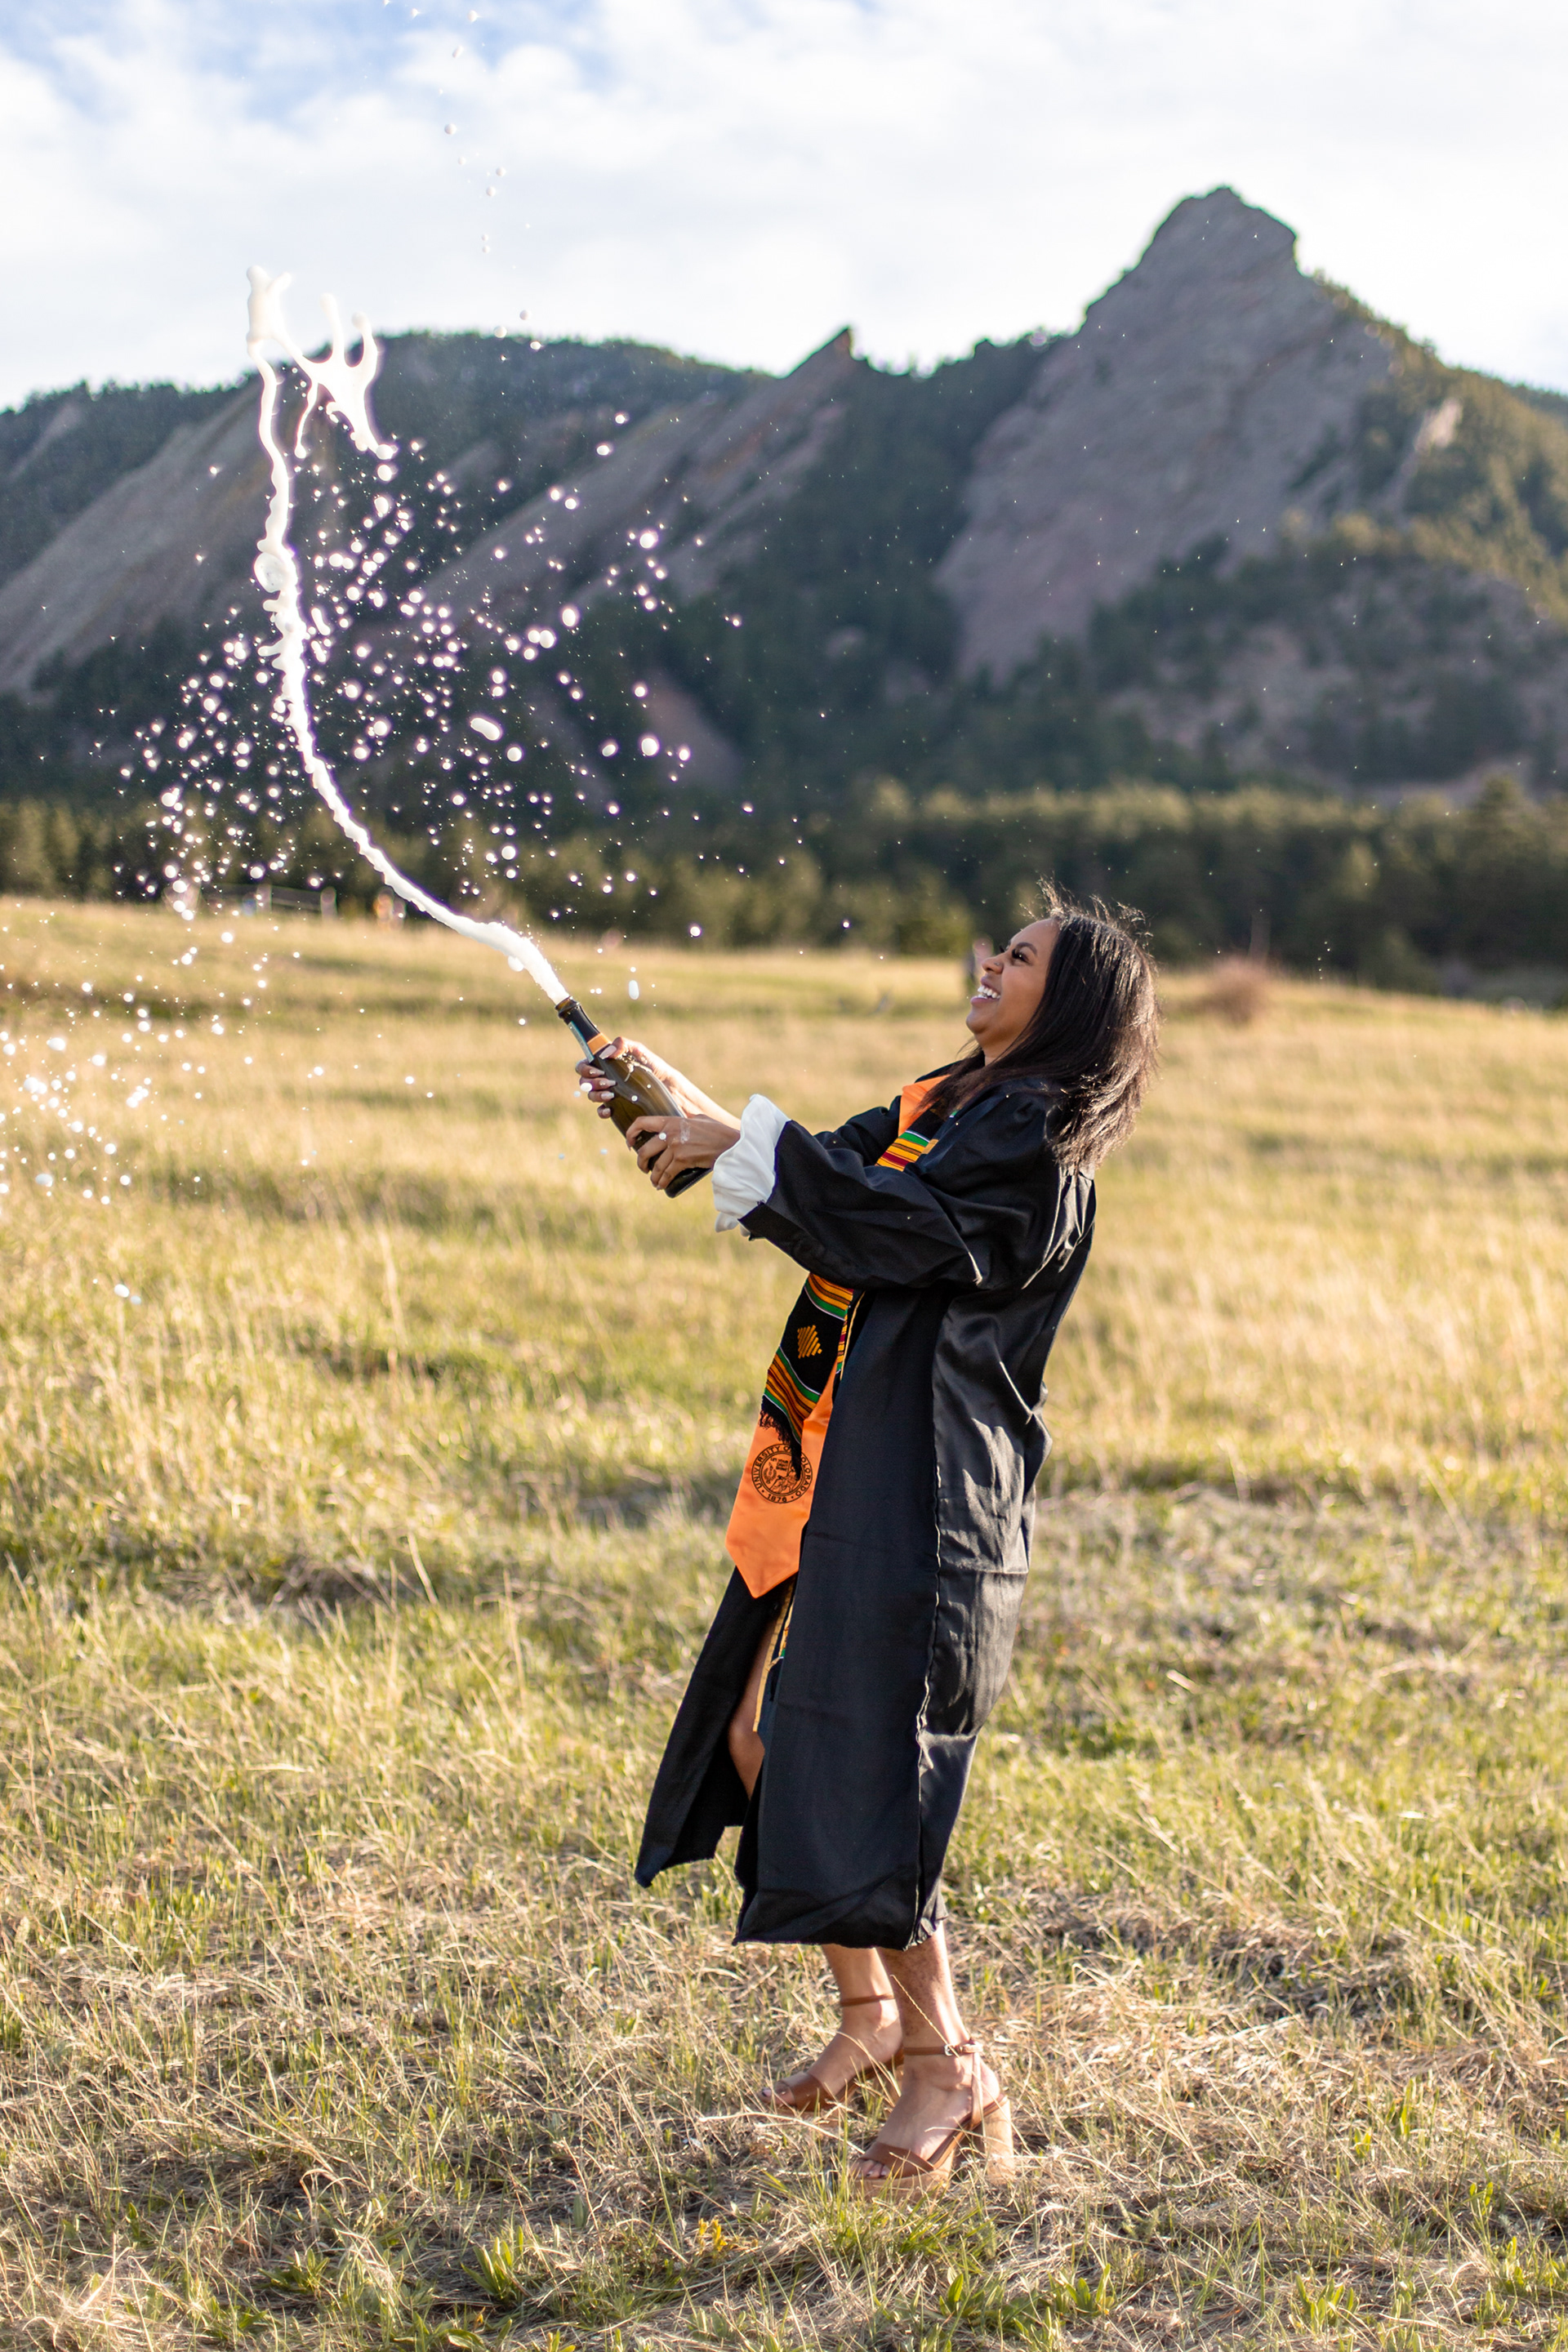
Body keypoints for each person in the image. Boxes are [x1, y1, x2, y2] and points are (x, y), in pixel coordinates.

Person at [577, 898, 1158, 2197]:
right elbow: (823, 1179)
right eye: (1001, 946)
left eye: (1022, 959)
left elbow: (887, 1228)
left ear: (1069, 1003)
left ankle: (948, 2061)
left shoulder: (1033, 1139)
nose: (992, 963)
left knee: (861, 1772)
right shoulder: (944, 1102)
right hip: (833, 1470)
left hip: (922, 1497)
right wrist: (672, 1102)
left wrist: (744, 1144)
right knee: (754, 1735)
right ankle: (873, 2017)